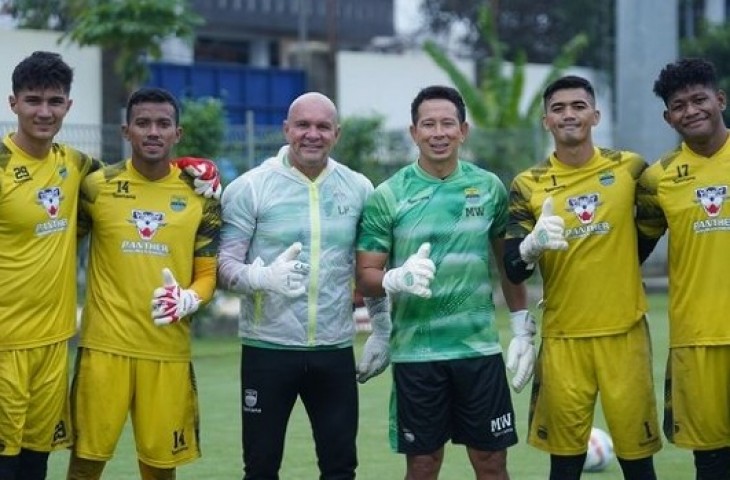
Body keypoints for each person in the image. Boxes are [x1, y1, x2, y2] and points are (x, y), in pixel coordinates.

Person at [356, 85, 533, 480]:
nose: (439, 132)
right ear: (413, 132)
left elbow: (507, 264)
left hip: (478, 350)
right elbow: (365, 278)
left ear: (463, 130)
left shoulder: (488, 188)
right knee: (422, 465)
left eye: (447, 123)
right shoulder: (388, 195)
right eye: (429, 124)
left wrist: (522, 328)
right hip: (417, 356)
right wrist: (396, 278)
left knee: (492, 464)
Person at [217, 91, 391, 480]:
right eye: (302, 125)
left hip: (334, 350)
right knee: (260, 468)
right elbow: (223, 267)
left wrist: (382, 329)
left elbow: (369, 266)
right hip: (267, 349)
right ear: (286, 129)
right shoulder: (250, 188)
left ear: (336, 133)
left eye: (322, 126)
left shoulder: (359, 189)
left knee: (340, 467)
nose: (312, 134)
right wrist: (261, 278)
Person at [503, 75, 662, 480]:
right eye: (558, 108)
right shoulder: (526, 185)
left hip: (623, 334)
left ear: (595, 115)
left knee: (638, 462)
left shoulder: (630, 168)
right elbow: (512, 267)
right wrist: (531, 246)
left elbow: (650, 230)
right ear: (546, 121)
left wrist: (619, 265)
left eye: (578, 106)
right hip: (563, 341)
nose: (569, 114)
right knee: (564, 464)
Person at [65, 87, 221, 480]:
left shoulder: (201, 195)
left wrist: (189, 298)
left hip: (167, 351)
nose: (153, 131)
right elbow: (56, 246)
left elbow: (207, 276)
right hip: (104, 348)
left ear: (177, 134)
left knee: (159, 468)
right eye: (143, 123)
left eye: (163, 124)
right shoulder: (96, 186)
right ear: (126, 131)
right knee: (85, 464)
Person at [0, 50, 104, 480]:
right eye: (33, 100)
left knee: (35, 462)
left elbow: (136, 181)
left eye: (54, 101)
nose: (44, 112)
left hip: (55, 342)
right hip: (4, 345)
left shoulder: (75, 165)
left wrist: (193, 171)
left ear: (68, 106)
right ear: (13, 104)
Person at [636, 58, 730, 480]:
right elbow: (630, 250)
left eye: (699, 99)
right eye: (679, 105)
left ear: (719, 99)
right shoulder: (659, 179)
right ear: (667, 116)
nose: (691, 111)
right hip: (696, 338)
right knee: (711, 461)